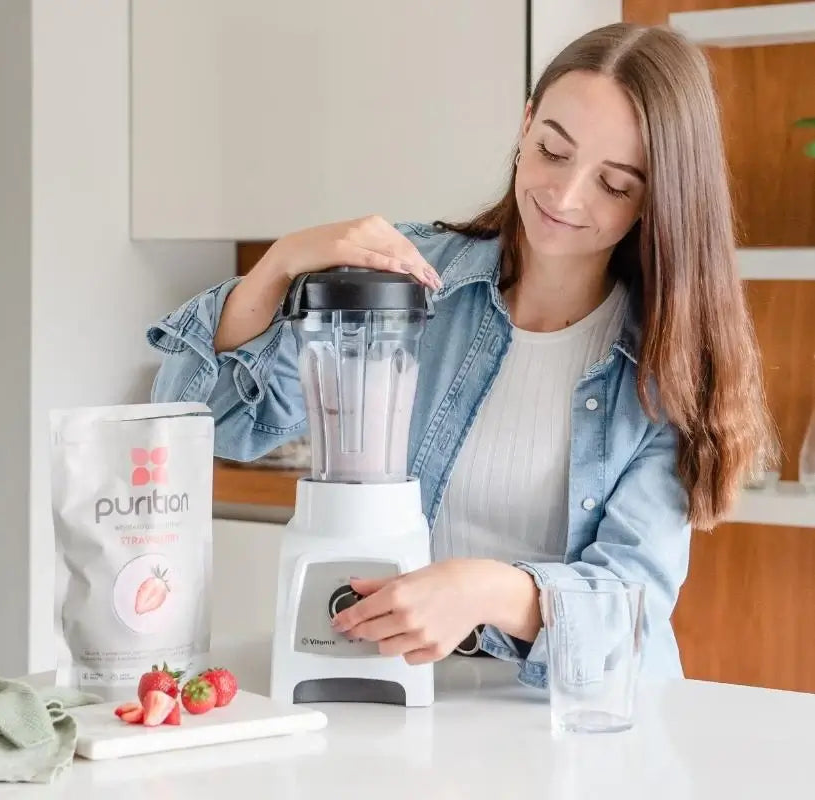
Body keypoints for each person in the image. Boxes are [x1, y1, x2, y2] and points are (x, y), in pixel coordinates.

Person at [145, 22, 773, 689]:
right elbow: (208, 424)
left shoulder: (667, 363)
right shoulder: (412, 282)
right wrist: (277, 267)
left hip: (566, 718)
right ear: (525, 123)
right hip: (390, 684)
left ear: (657, 198)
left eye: (613, 185)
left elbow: (628, 617)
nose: (563, 197)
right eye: (550, 151)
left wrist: (484, 591)